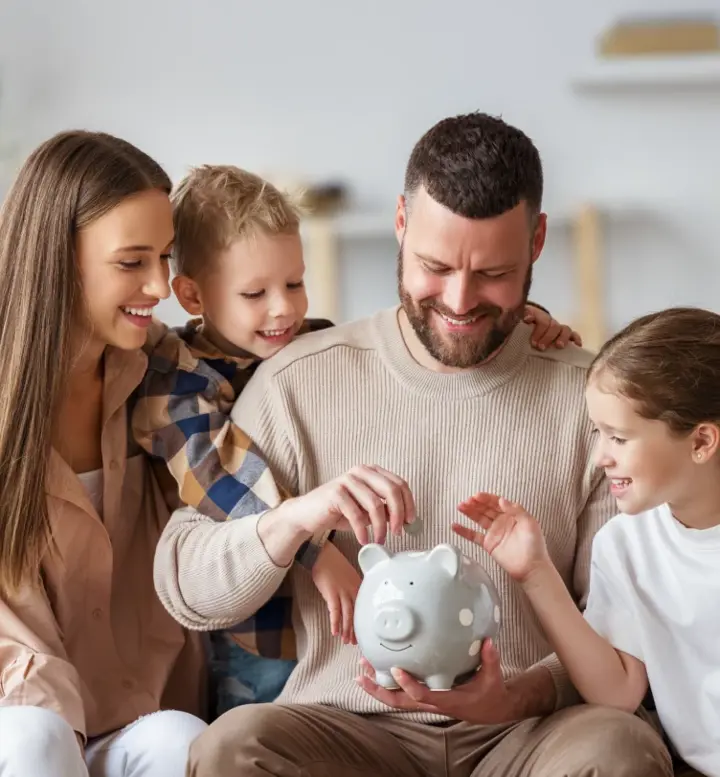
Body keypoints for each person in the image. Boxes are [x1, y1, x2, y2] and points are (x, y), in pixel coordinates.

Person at [157, 111, 673, 777]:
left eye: (493, 273)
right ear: (401, 223)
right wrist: (296, 519)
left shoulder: (590, 399)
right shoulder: (296, 379)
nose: (459, 300)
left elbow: (622, 624)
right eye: (435, 266)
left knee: (620, 749)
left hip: (528, 735)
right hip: (344, 731)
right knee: (233, 746)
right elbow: (186, 584)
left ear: (538, 240)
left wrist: (518, 692)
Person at [132, 163, 578, 717]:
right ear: (192, 295)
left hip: (325, 634)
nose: (284, 309)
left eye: (294, 284)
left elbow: (416, 330)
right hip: (259, 632)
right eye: (255, 293)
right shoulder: (178, 387)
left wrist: (522, 319)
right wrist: (316, 552)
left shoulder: (307, 346)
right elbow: (222, 484)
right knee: (256, 725)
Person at [0, 131, 208, 777]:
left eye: (166, 258)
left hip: (131, 715)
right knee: (36, 739)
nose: (160, 285)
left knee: (185, 742)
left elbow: (272, 342)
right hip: (21, 716)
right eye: (132, 262)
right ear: (61, 258)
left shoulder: (160, 372)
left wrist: (527, 324)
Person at [454, 306, 720, 777]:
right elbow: (618, 691)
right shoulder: (625, 542)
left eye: (618, 437)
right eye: (598, 433)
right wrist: (536, 573)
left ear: (701, 442)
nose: (600, 457)